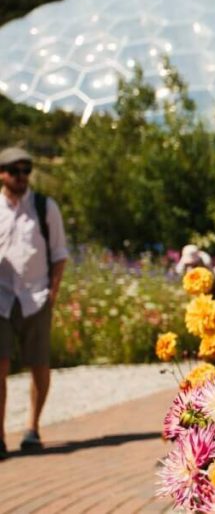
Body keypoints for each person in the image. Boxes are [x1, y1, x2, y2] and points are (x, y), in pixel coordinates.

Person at [0, 147, 68, 460]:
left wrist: (52, 293)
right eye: (15, 170)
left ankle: (32, 426)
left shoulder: (44, 207)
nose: (22, 176)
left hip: (35, 296)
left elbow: (59, 254)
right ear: (2, 173)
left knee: (38, 363)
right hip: (1, 298)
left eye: (26, 170)